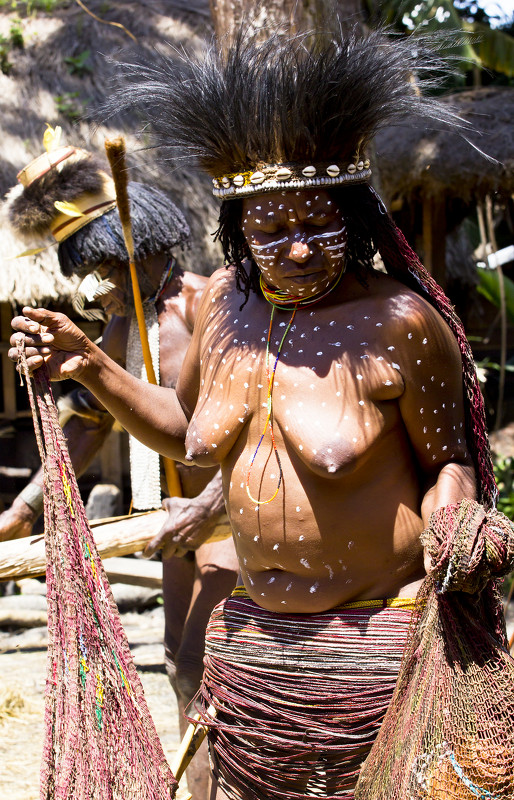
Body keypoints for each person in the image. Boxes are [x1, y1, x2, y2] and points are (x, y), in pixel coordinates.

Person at [9, 29, 504, 800]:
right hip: (252, 647)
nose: (296, 249)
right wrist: (91, 365)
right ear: (239, 232)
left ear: (356, 218)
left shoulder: (402, 322)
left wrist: (456, 519)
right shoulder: (226, 314)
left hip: (377, 648)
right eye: (271, 231)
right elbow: (190, 437)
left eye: (317, 225)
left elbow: (452, 459)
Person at [2, 140, 239, 800]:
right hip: (177, 534)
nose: (92, 282)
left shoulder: (207, 304)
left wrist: (207, 508)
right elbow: (86, 425)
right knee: (180, 670)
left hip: (227, 518)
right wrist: (22, 512)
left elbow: (218, 429)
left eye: (101, 263)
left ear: (136, 248)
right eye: (86, 268)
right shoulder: (113, 335)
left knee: (206, 668)